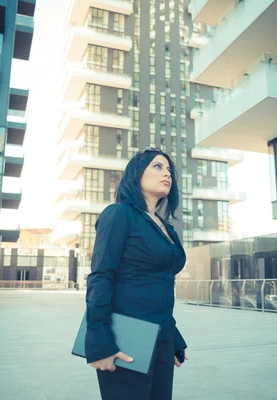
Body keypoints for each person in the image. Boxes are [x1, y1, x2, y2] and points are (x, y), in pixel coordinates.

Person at [84, 147, 189, 399]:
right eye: (157, 166)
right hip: (126, 336)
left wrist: (172, 335)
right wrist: (99, 341)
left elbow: (159, 283)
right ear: (136, 174)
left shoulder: (165, 227)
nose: (167, 174)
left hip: (161, 336)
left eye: (169, 169)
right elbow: (101, 276)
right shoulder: (119, 214)